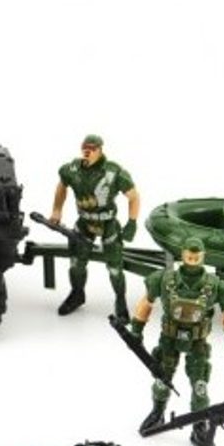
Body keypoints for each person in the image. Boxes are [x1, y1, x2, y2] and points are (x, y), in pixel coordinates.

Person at [128, 237, 224, 446]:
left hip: (197, 342)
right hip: (169, 340)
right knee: (162, 380)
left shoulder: (217, 286)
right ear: (182, 254)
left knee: (200, 386)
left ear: (203, 256)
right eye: (189, 255)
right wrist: (136, 330)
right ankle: (158, 413)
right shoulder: (163, 279)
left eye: (196, 255)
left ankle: (199, 424)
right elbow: (146, 303)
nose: (192, 259)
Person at [49, 134, 140, 321]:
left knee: (115, 268)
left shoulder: (113, 172)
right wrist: (57, 210)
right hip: (84, 223)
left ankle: (120, 300)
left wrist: (132, 223)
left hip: (108, 224)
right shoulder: (72, 170)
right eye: (85, 147)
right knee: (76, 264)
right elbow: (61, 186)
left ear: (100, 150)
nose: (87, 151)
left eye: (92, 148)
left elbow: (133, 196)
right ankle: (77, 294)